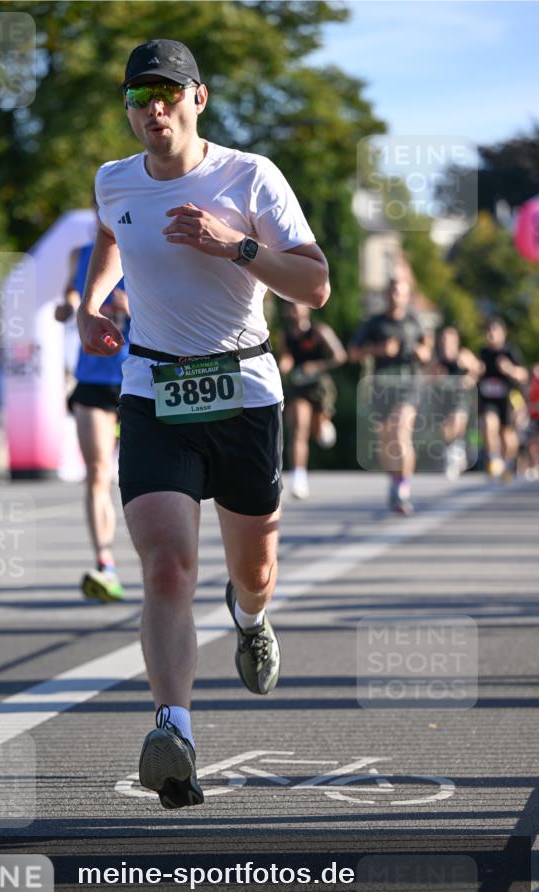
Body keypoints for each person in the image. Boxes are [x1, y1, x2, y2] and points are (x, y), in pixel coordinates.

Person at [77, 39, 330, 809]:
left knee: (251, 571)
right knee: (165, 566)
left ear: (198, 98)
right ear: (127, 106)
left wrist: (238, 245)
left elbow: (314, 285)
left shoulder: (249, 176)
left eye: (166, 92)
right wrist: (92, 306)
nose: (151, 106)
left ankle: (250, 618)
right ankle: (174, 729)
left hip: (244, 392)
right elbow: (114, 233)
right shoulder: (112, 179)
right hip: (154, 391)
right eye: (137, 94)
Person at [55, 241, 130, 601]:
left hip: (141, 378)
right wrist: (69, 307)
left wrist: (132, 307)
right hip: (94, 380)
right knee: (98, 473)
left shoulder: (150, 235)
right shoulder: (81, 253)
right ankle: (106, 565)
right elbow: (73, 292)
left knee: (151, 478)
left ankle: (166, 568)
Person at [348, 277, 433, 514]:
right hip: (382, 388)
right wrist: (377, 350)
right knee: (386, 442)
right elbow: (352, 353)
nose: (396, 295)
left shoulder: (415, 321)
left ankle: (402, 489)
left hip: (409, 385)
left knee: (400, 431)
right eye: (392, 291)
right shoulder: (374, 323)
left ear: (407, 296)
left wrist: (420, 351)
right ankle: (395, 480)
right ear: (387, 295)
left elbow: (428, 351)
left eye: (401, 291)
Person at [278, 302, 346, 499]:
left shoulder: (320, 331)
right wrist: (284, 364)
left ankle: (323, 423)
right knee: (298, 427)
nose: (293, 308)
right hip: (298, 387)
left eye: (297, 304)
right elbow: (286, 357)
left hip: (319, 388)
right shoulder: (286, 335)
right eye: (289, 305)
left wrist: (316, 366)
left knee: (319, 434)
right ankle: (299, 478)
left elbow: (339, 356)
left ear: (306, 308)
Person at [477, 318, 528, 478]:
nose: (491, 333)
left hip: (508, 399)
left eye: (495, 330)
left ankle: (508, 464)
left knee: (507, 434)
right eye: (488, 330)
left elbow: (524, 375)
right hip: (488, 399)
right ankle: (494, 460)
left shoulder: (510, 352)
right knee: (488, 423)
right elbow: (475, 372)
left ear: (503, 333)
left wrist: (509, 369)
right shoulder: (483, 353)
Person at [429, 326, 482, 480]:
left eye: (450, 340)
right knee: (446, 431)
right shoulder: (437, 360)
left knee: (457, 420)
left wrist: (470, 376)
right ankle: (454, 452)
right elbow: (427, 380)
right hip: (442, 400)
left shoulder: (463, 355)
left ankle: (455, 454)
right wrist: (436, 376)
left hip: (461, 398)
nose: (447, 344)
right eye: (444, 340)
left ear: (456, 342)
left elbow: (479, 369)